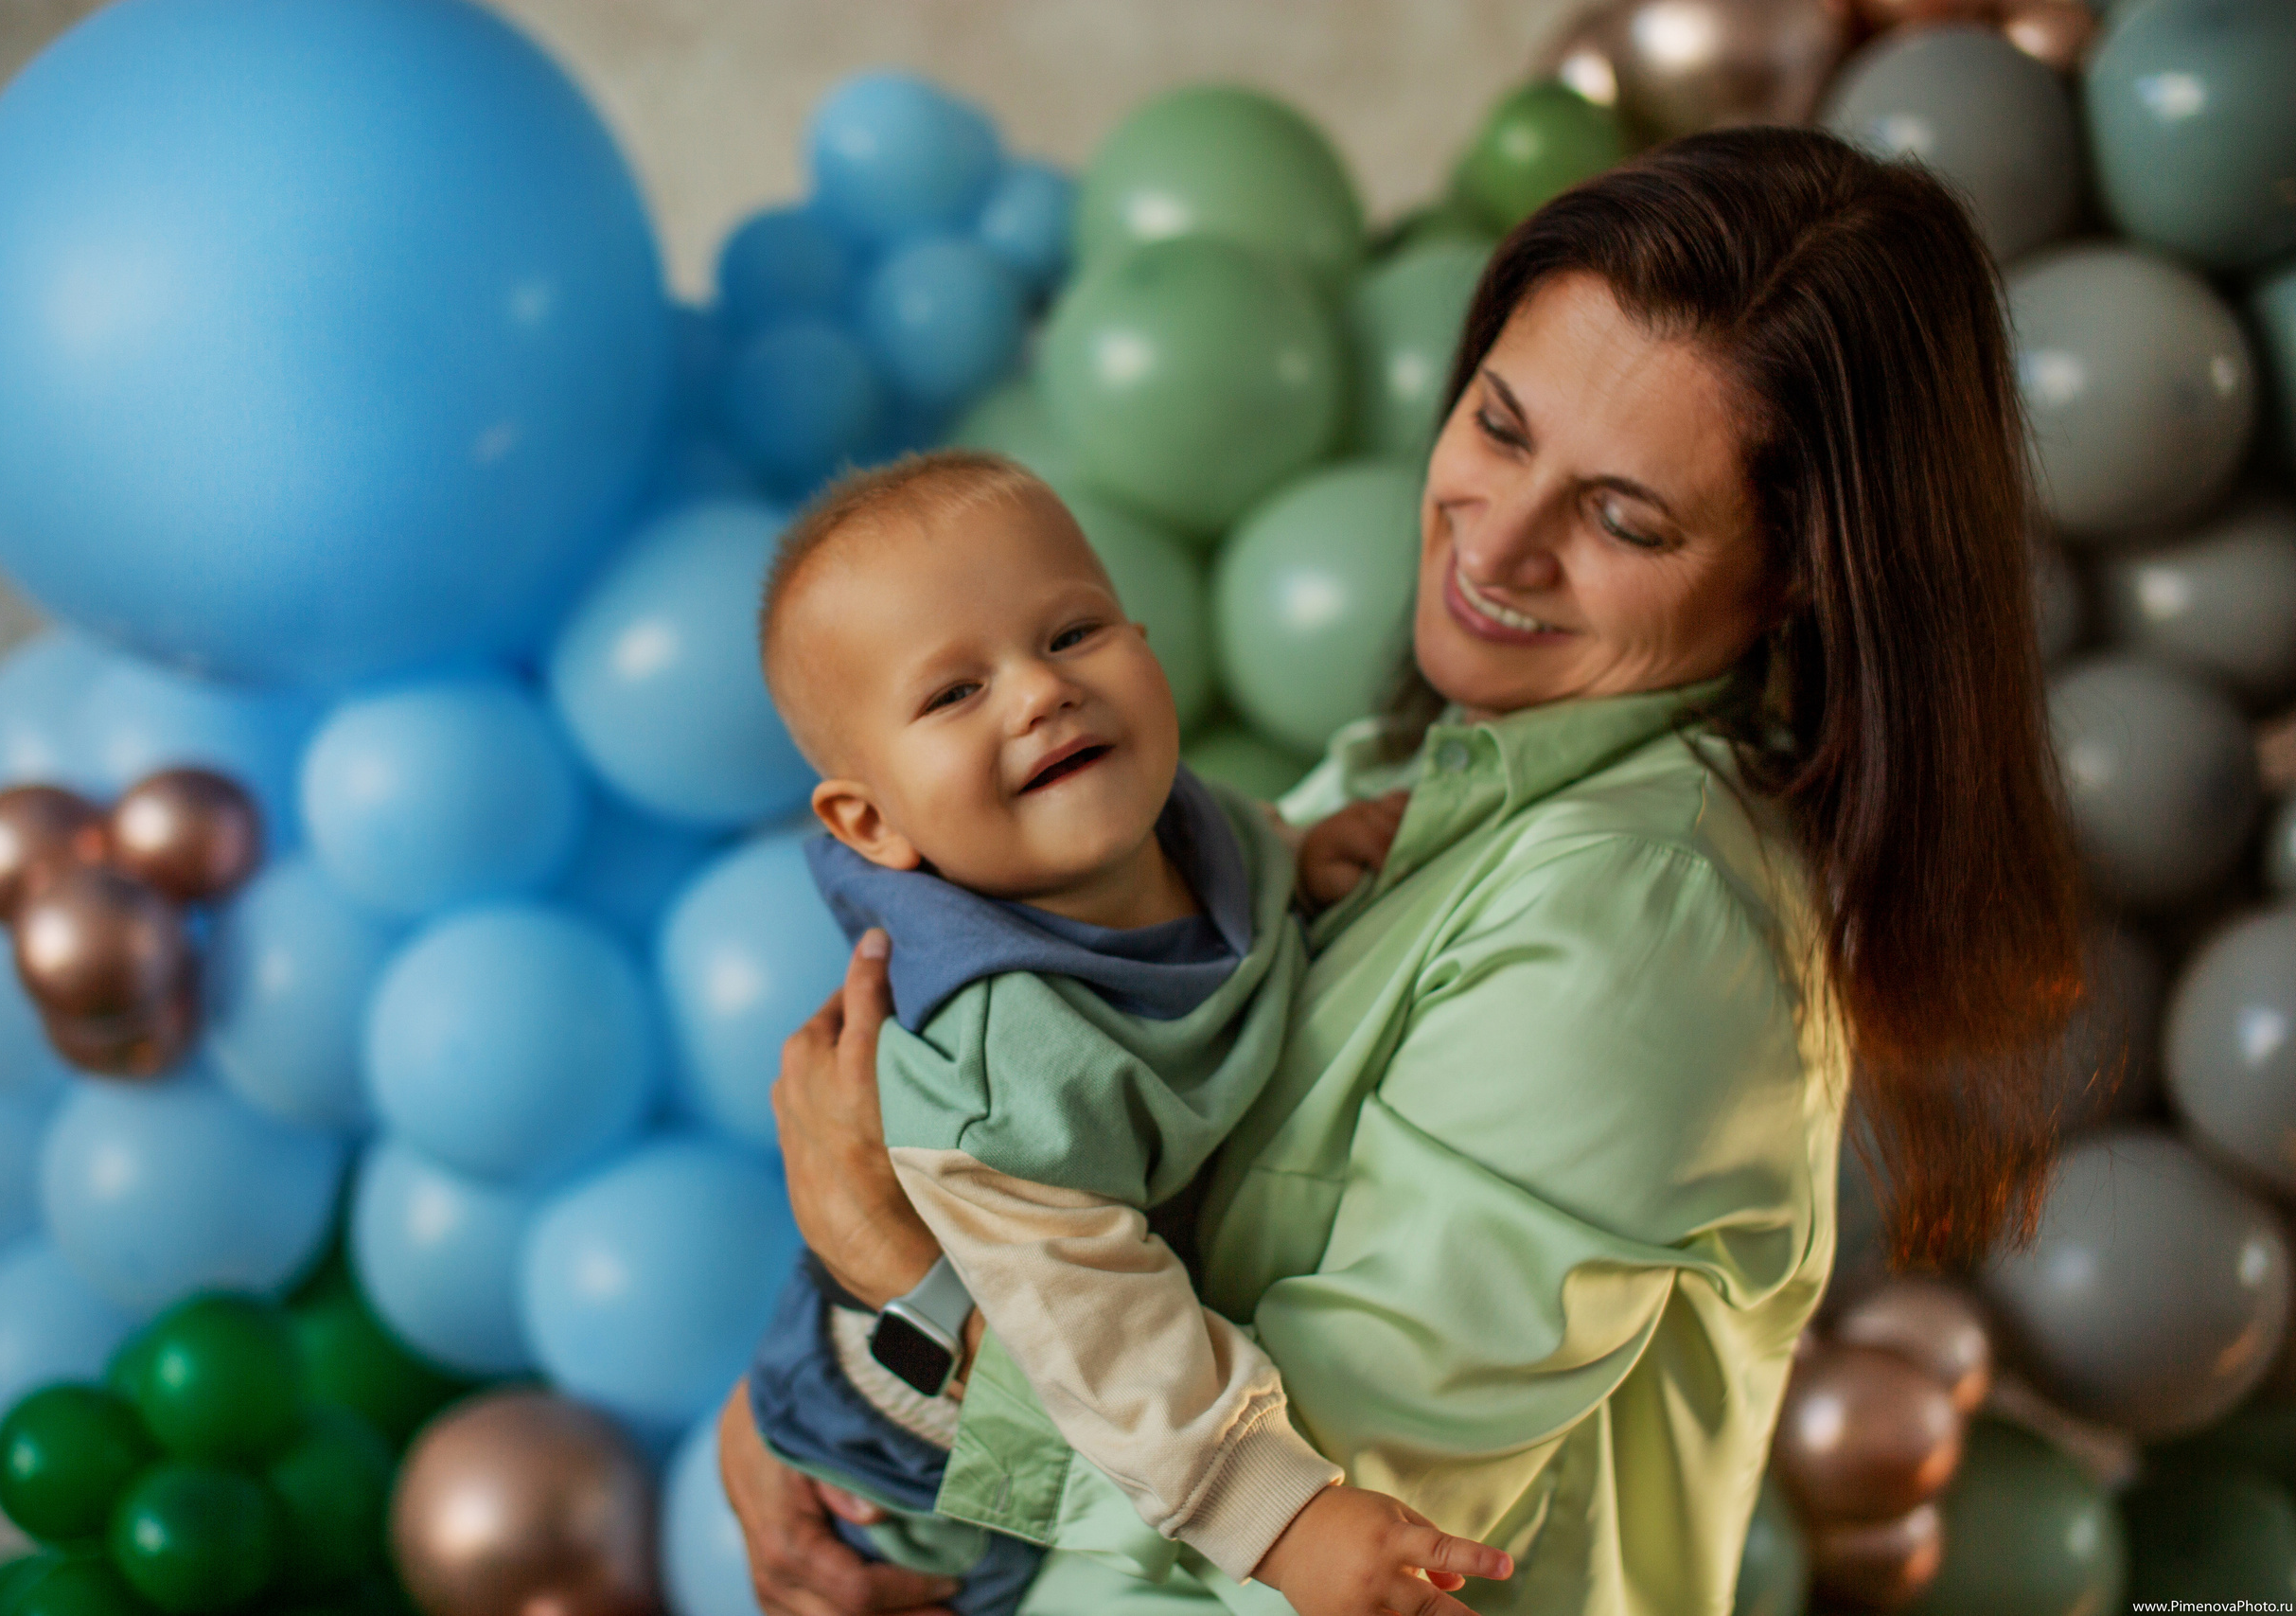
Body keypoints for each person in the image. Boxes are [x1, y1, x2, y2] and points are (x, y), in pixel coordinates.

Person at [722, 125, 2084, 1616]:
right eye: (1499, 427)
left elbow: (1322, 1548)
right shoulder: (1400, 771)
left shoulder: (1641, 919)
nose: (1497, 545)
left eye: (1624, 515)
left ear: (1800, 571)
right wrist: (798, 1410)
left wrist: (903, 1287)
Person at [748, 452, 1506, 1616]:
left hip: (1032, 1307)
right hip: (916, 1426)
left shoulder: (1177, 819)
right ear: (872, 822)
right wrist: (1285, 1518)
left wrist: (1301, 856)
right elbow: (1104, 1347)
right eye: (954, 694)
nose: (1039, 693)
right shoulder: (1012, 1068)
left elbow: (1238, 840)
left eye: (1070, 634)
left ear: (1143, 640)